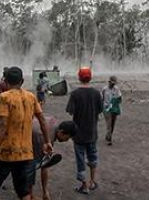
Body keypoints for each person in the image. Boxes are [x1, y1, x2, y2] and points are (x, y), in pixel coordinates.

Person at [0, 67, 53, 200]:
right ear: (22, 81)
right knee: (23, 191)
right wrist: (47, 141)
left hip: (5, 152)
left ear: (6, 81)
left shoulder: (5, 97)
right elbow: (42, 120)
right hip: (25, 153)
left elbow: (3, 125)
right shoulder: (31, 97)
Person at [65, 66, 103, 194]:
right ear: (90, 78)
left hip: (78, 133)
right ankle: (93, 181)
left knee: (80, 159)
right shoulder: (96, 93)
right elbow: (100, 110)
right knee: (92, 157)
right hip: (92, 131)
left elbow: (70, 111)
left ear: (79, 77)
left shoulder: (75, 94)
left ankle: (84, 185)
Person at [29, 118, 77, 200]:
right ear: (61, 132)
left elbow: (45, 165)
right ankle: (30, 196)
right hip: (21, 136)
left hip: (31, 130)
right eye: (67, 138)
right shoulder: (44, 138)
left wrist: (45, 191)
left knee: (42, 162)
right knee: (30, 168)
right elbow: (30, 167)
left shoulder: (54, 123)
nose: (66, 141)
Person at [101, 76, 122, 145]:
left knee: (113, 124)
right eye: (112, 83)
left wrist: (117, 101)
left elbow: (120, 99)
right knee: (109, 124)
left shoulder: (116, 89)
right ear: (109, 82)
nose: (113, 84)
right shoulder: (104, 89)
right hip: (106, 108)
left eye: (114, 83)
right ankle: (109, 139)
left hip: (114, 108)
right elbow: (101, 99)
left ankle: (108, 135)